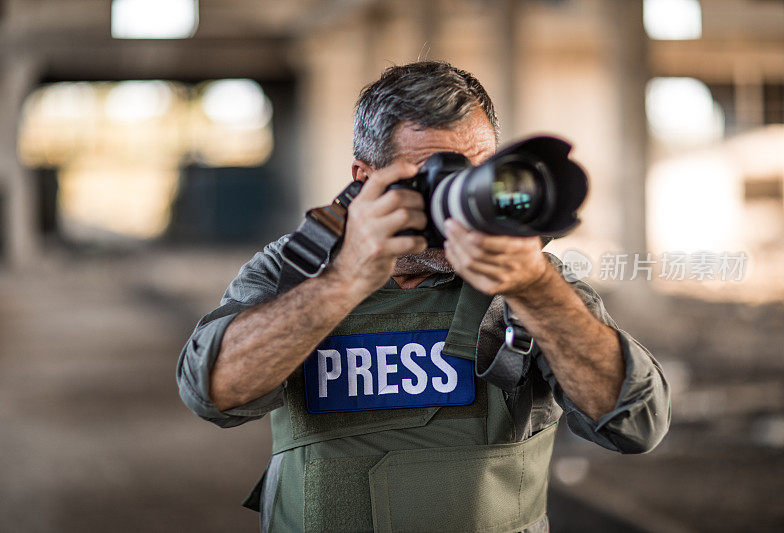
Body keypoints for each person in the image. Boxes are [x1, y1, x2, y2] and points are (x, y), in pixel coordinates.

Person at [177, 61, 670, 533]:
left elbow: (636, 424)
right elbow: (212, 393)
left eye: (478, 175)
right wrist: (343, 281)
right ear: (365, 179)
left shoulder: (529, 275)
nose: (464, 205)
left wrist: (535, 290)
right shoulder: (301, 267)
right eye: (435, 178)